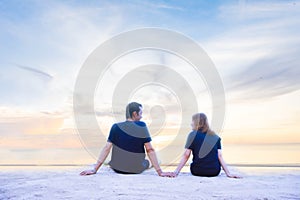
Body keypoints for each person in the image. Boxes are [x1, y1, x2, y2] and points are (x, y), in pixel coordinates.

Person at [80, 102, 170, 177]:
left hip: (117, 168)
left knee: (110, 161)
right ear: (135, 114)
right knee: (155, 161)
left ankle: (110, 163)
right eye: (141, 113)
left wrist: (95, 169)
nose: (141, 116)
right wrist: (160, 172)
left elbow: (107, 148)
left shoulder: (115, 126)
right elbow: (149, 149)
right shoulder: (142, 125)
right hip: (136, 169)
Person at [171, 113, 241, 178]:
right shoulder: (216, 137)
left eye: (192, 121)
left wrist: (176, 172)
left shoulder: (192, 135)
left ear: (196, 123)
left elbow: (186, 155)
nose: (191, 123)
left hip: (197, 171)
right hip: (214, 172)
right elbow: (219, 156)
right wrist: (228, 173)